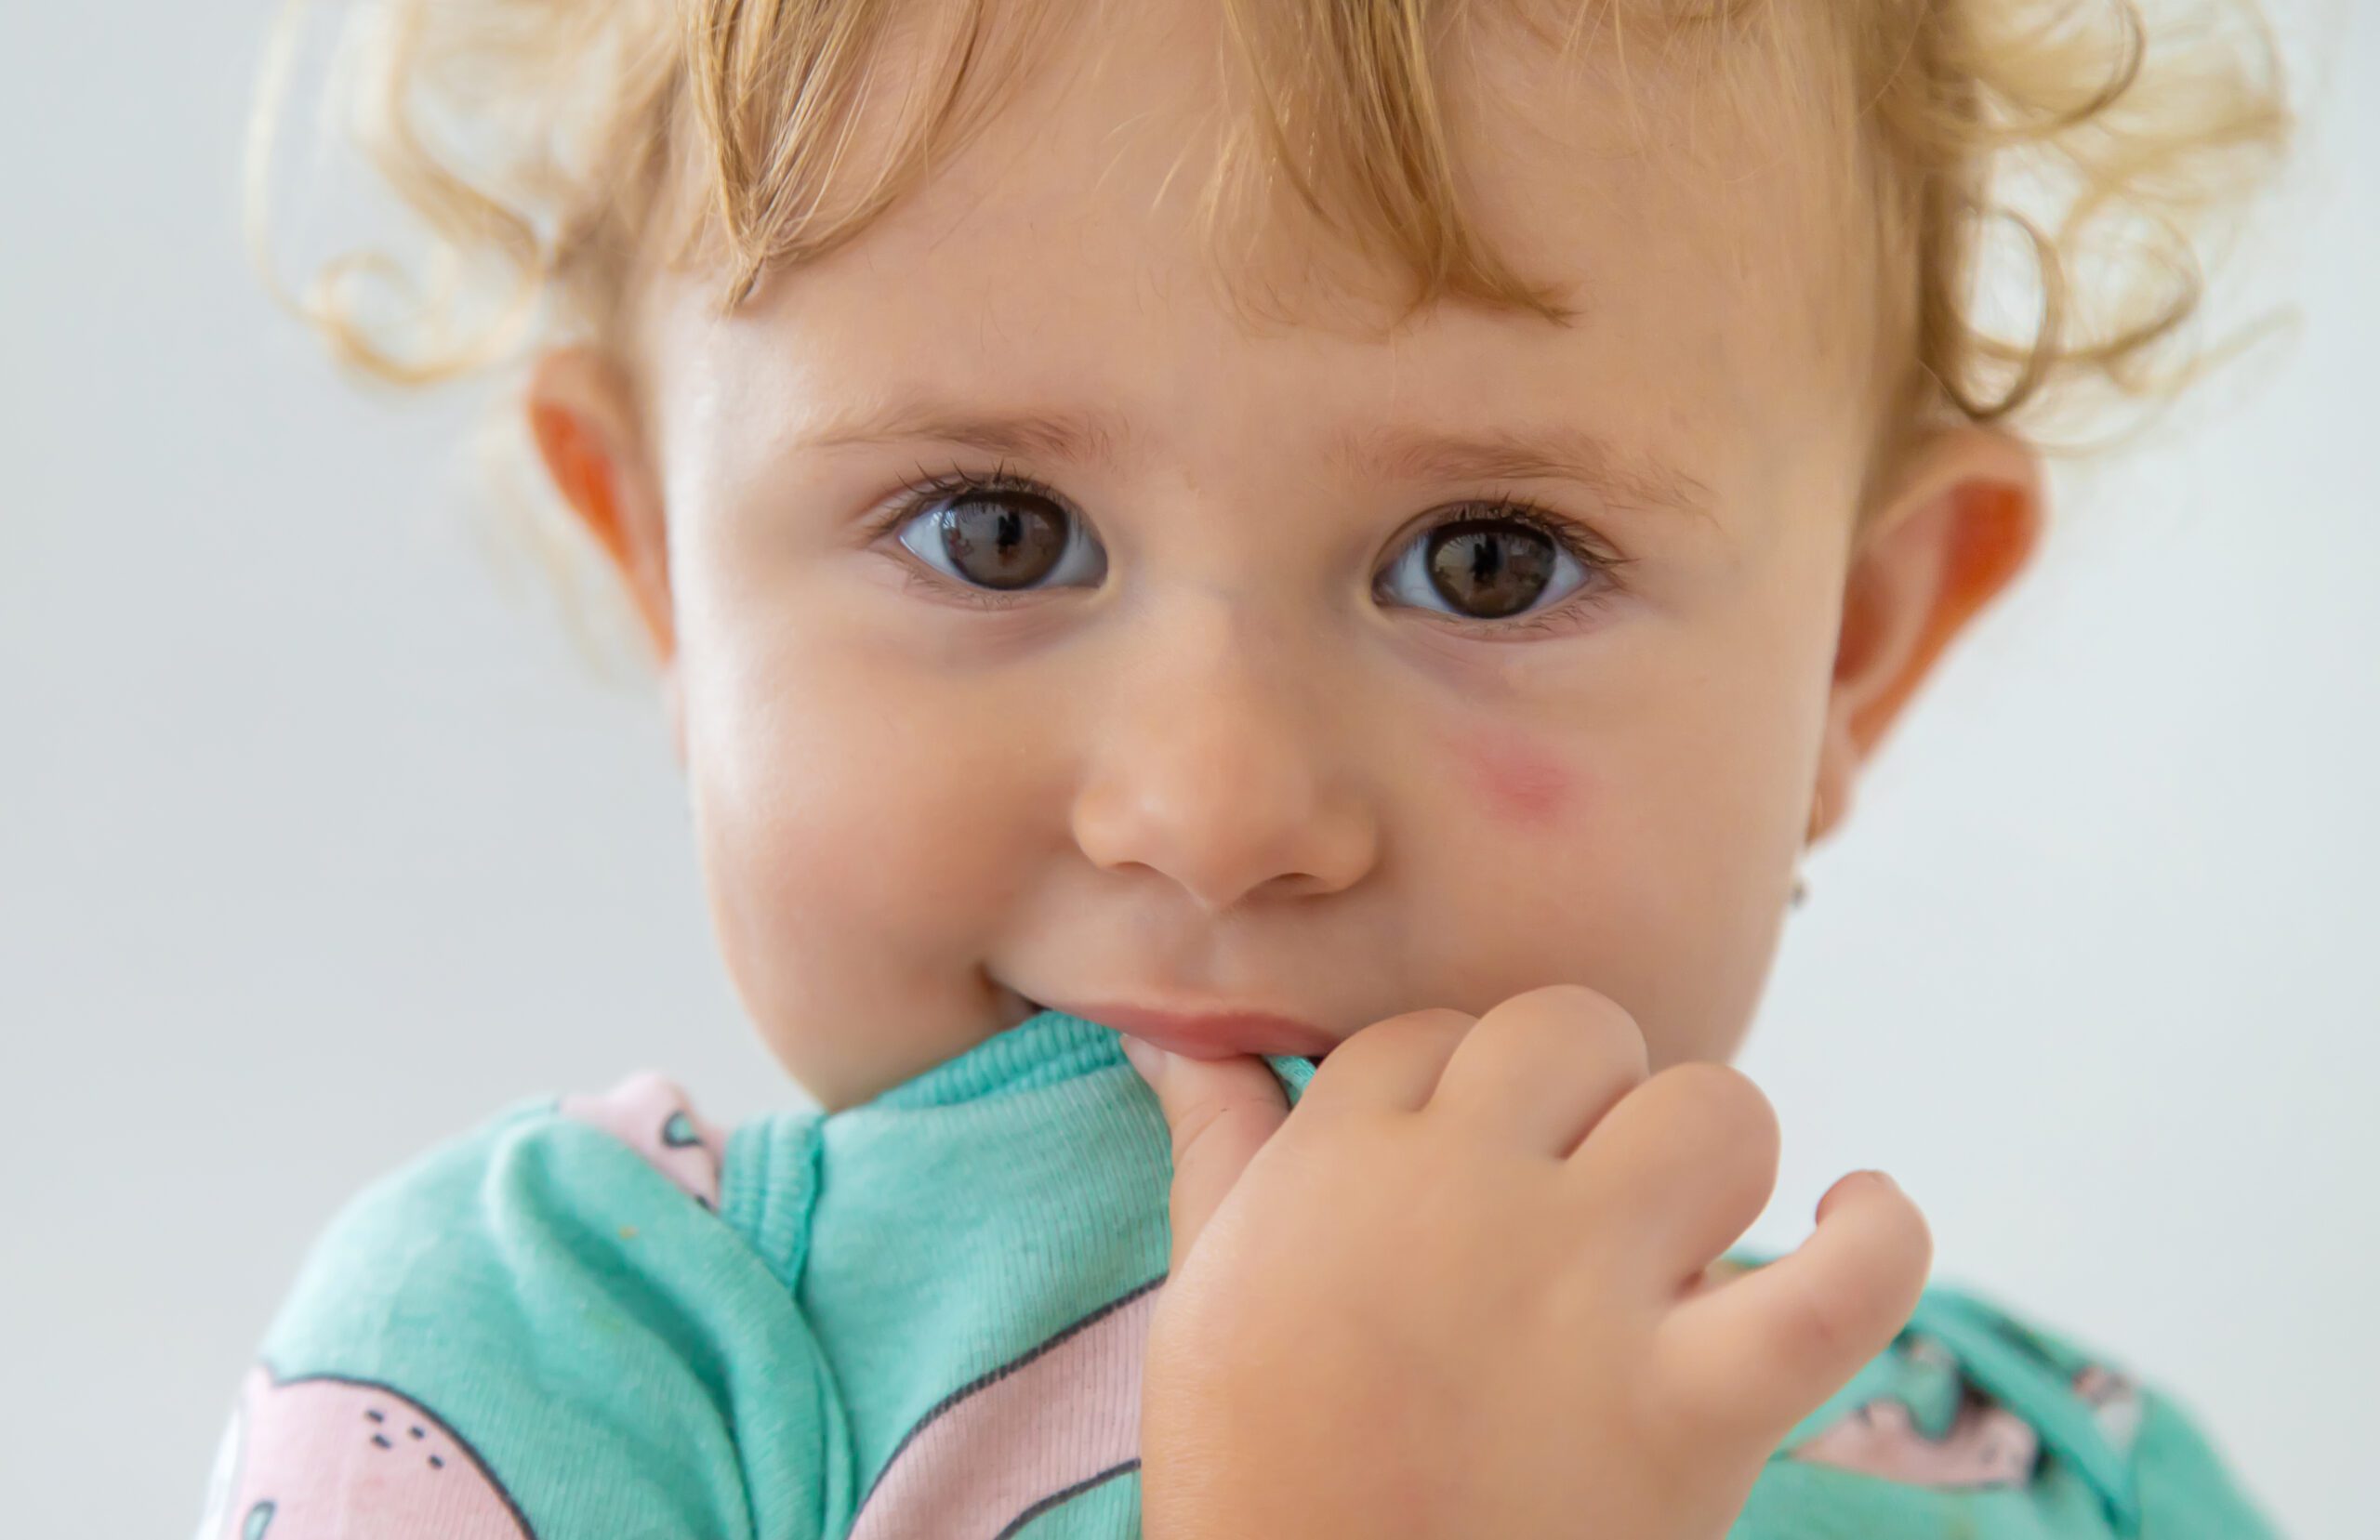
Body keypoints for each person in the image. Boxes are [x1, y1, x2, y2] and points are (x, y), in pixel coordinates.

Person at [201, 0, 2293, 1534]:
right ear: (661, 557)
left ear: (1850, 646)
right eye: (994, 529)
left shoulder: (2065, 1481)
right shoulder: (554, 1374)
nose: (1205, 805)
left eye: (1486, 562)